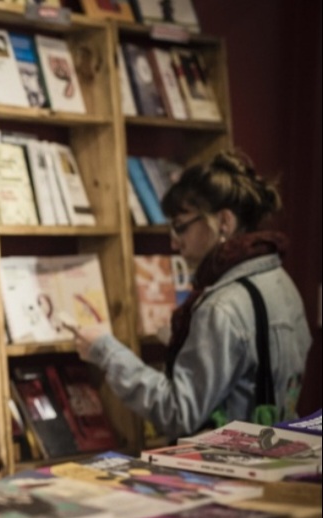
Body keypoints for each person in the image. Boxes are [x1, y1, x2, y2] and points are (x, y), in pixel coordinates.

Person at [68, 151, 312, 439]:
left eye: (181, 226)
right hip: (278, 458)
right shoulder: (281, 282)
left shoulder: (221, 307)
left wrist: (106, 351)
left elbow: (178, 412)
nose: (174, 241)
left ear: (223, 222)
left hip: (229, 470)